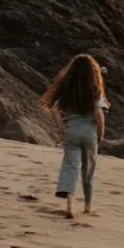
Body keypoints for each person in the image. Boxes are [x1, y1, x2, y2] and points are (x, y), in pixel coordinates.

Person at [40, 54, 107, 220]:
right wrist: (101, 133)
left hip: (71, 131)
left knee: (71, 166)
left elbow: (55, 110)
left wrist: (62, 129)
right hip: (89, 133)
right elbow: (99, 114)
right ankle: (88, 206)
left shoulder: (66, 90)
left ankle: (70, 205)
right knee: (88, 169)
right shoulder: (95, 91)